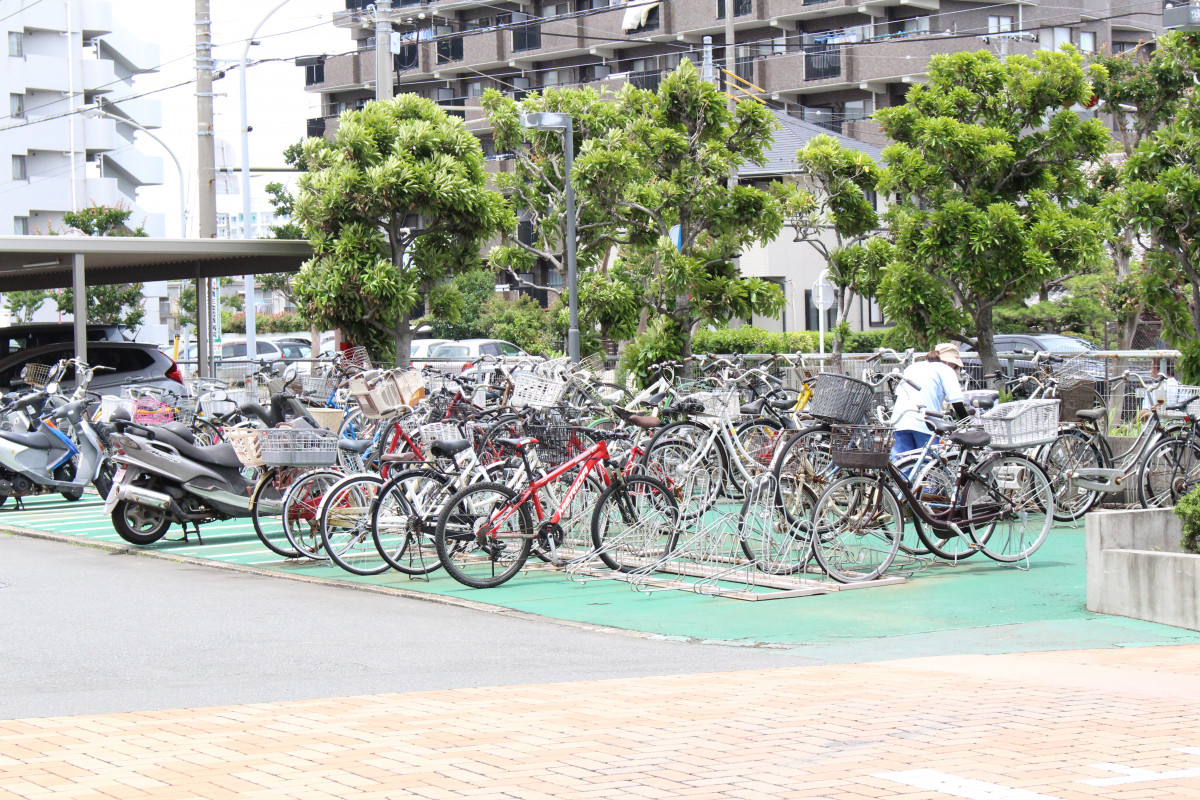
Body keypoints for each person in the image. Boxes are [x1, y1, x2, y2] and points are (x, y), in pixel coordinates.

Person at [889, 342, 971, 460]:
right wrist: (968, 424)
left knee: (902, 464)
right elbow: (957, 403)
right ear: (949, 362)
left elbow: (898, 395)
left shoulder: (913, 367)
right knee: (929, 465)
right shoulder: (946, 369)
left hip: (899, 421)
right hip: (925, 423)